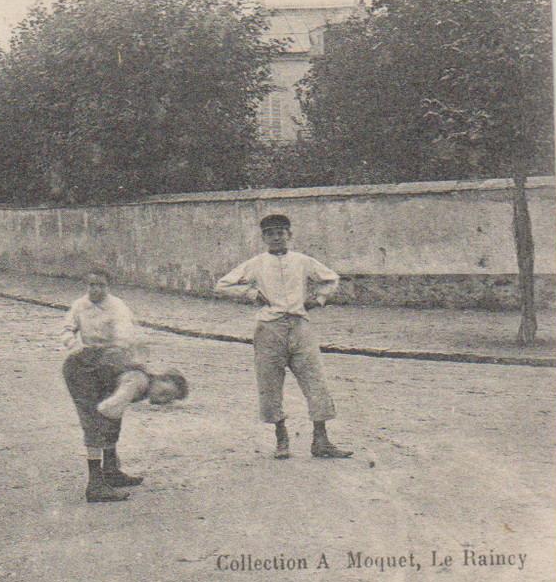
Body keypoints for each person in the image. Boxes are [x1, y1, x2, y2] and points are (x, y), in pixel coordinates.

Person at [214, 213, 353, 460]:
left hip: (300, 326)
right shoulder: (255, 263)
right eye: (270, 234)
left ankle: (321, 440)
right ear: (264, 238)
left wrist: (318, 299)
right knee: (269, 385)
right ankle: (282, 438)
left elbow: (331, 279)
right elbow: (222, 285)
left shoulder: (302, 261)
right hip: (269, 329)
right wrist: (251, 294)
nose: (276, 238)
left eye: (280, 233)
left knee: (316, 381)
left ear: (289, 235)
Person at [59, 269, 189, 502]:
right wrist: (76, 347)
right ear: (163, 378)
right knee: (95, 424)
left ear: (109, 287)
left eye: (100, 285)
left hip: (106, 361)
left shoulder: (118, 307)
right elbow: (109, 408)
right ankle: (95, 484)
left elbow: (125, 333)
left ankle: (110, 470)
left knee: (112, 422)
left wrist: (122, 351)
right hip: (82, 367)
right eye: (167, 393)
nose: (163, 400)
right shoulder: (138, 379)